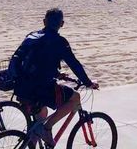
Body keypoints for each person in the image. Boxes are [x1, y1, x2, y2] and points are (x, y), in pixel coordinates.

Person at [11, 8, 99, 147]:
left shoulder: (31, 36)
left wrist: (56, 74)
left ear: (44, 21)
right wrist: (88, 82)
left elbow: (33, 62)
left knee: (42, 114)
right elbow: (74, 64)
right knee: (75, 97)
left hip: (22, 88)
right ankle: (46, 129)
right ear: (62, 24)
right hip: (41, 89)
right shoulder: (60, 42)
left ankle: (34, 138)